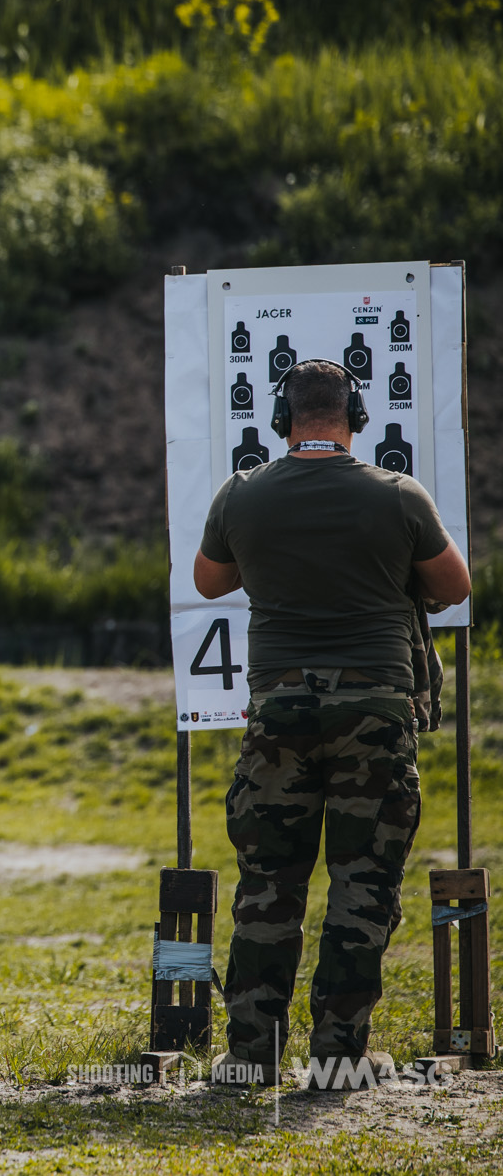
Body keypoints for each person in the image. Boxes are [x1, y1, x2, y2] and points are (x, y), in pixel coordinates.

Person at [194, 358, 470, 1088]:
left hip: (279, 706)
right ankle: (339, 1056)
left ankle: (251, 1056)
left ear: (282, 421)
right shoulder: (399, 495)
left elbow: (209, 579)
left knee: (269, 881)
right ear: (357, 418)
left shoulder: (242, 494)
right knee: (362, 884)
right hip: (375, 708)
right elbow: (454, 584)